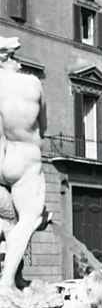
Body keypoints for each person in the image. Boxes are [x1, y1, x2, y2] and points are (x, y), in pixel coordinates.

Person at [0, 37, 50, 289]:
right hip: (26, 157)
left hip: (2, 155)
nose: (20, 63)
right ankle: (6, 282)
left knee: (8, 222)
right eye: (15, 57)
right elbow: (43, 125)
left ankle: (15, 276)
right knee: (28, 218)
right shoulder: (32, 83)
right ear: (7, 57)